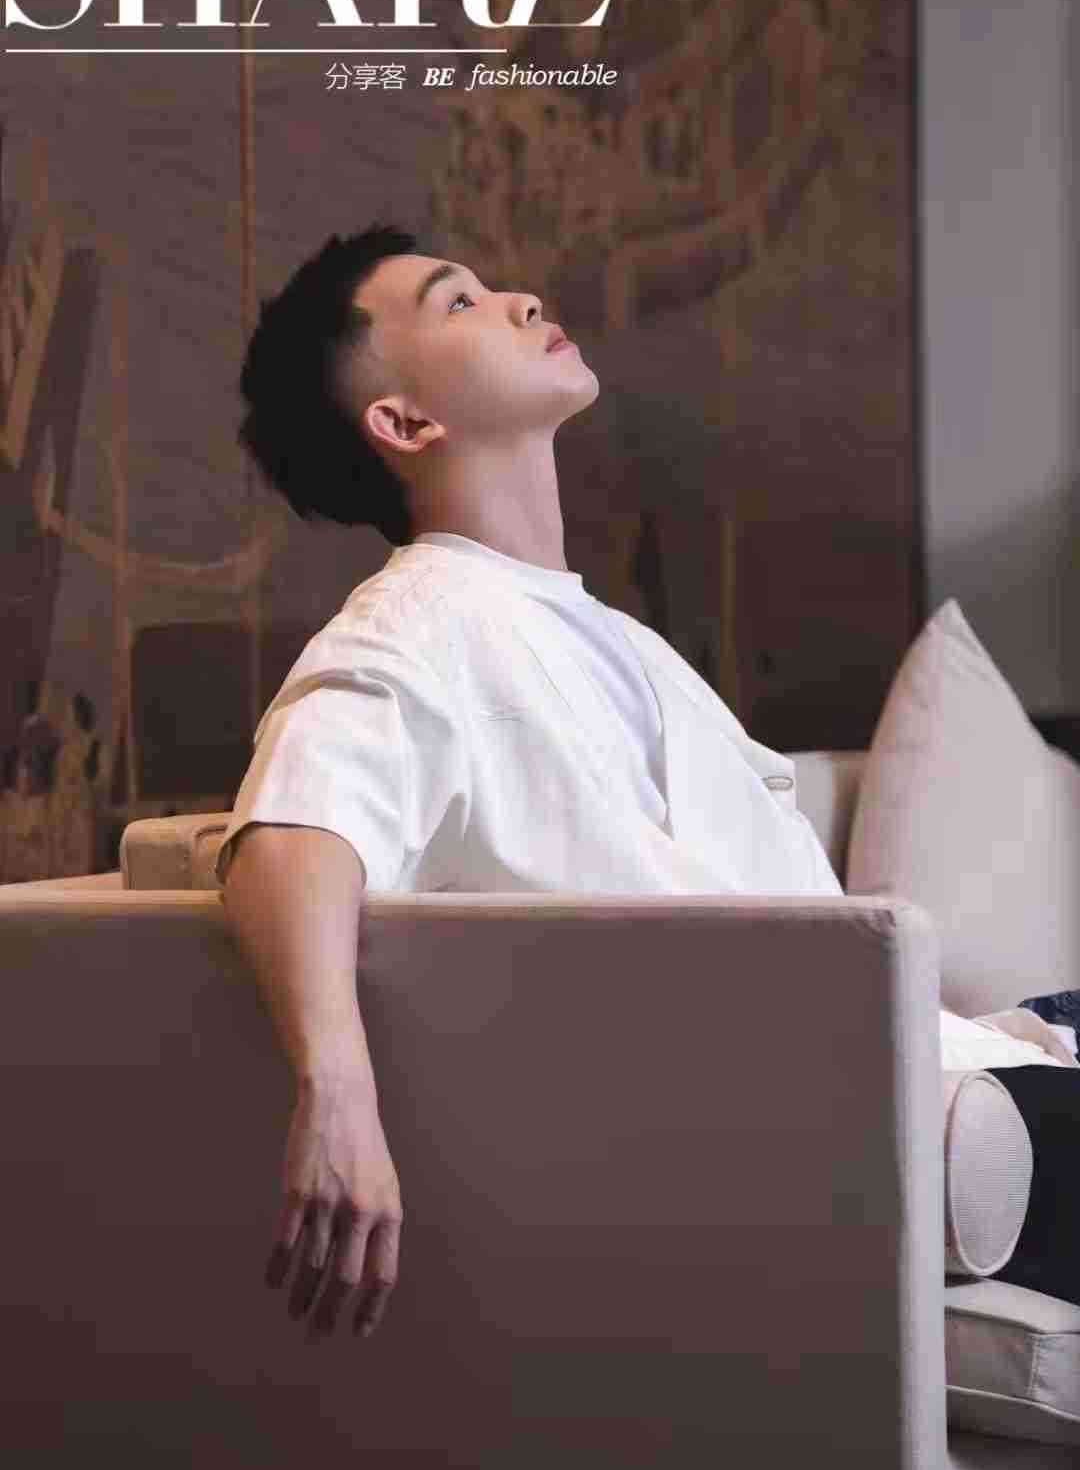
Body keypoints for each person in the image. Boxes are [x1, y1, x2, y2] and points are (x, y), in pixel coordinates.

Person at [217, 222, 1080, 1346]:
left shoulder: (618, 640)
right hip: (897, 1109)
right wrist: (335, 1092)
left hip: (966, 1052)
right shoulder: (410, 630)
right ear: (406, 422)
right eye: (460, 302)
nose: (523, 299)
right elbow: (289, 830)